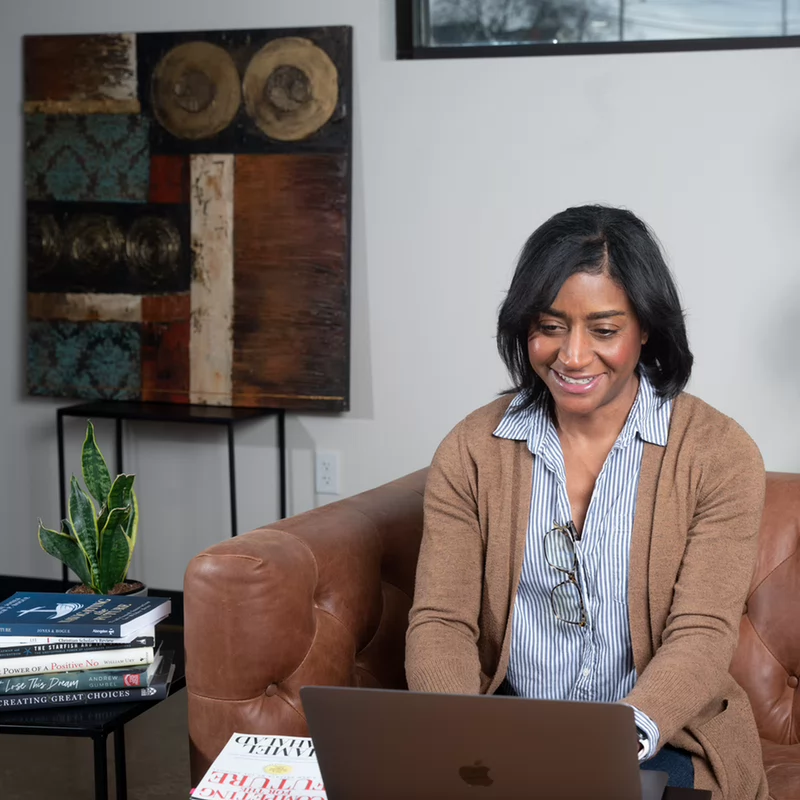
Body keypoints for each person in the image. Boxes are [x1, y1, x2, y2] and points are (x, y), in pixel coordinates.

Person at [405, 205, 767, 799]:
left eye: (603, 330)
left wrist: (605, 748)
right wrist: (463, 737)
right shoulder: (471, 451)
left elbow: (701, 632)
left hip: (662, 736)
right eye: (550, 327)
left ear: (645, 328)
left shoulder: (719, 455)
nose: (572, 356)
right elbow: (441, 621)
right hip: (505, 735)